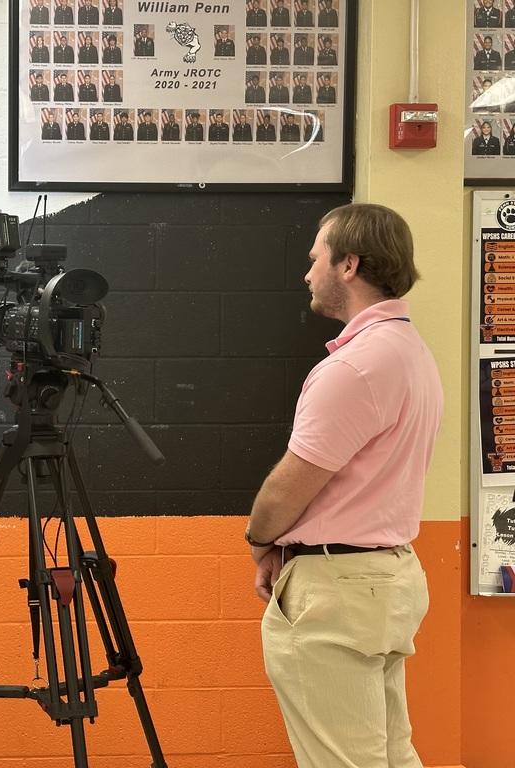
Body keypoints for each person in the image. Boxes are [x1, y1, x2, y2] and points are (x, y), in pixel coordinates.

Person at [245, 203, 442, 768]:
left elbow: (288, 488)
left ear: (349, 265)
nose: (308, 273)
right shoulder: (411, 353)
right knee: (390, 754)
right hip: (388, 578)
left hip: (339, 593)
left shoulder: (354, 367)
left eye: (316, 259)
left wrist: (259, 541)